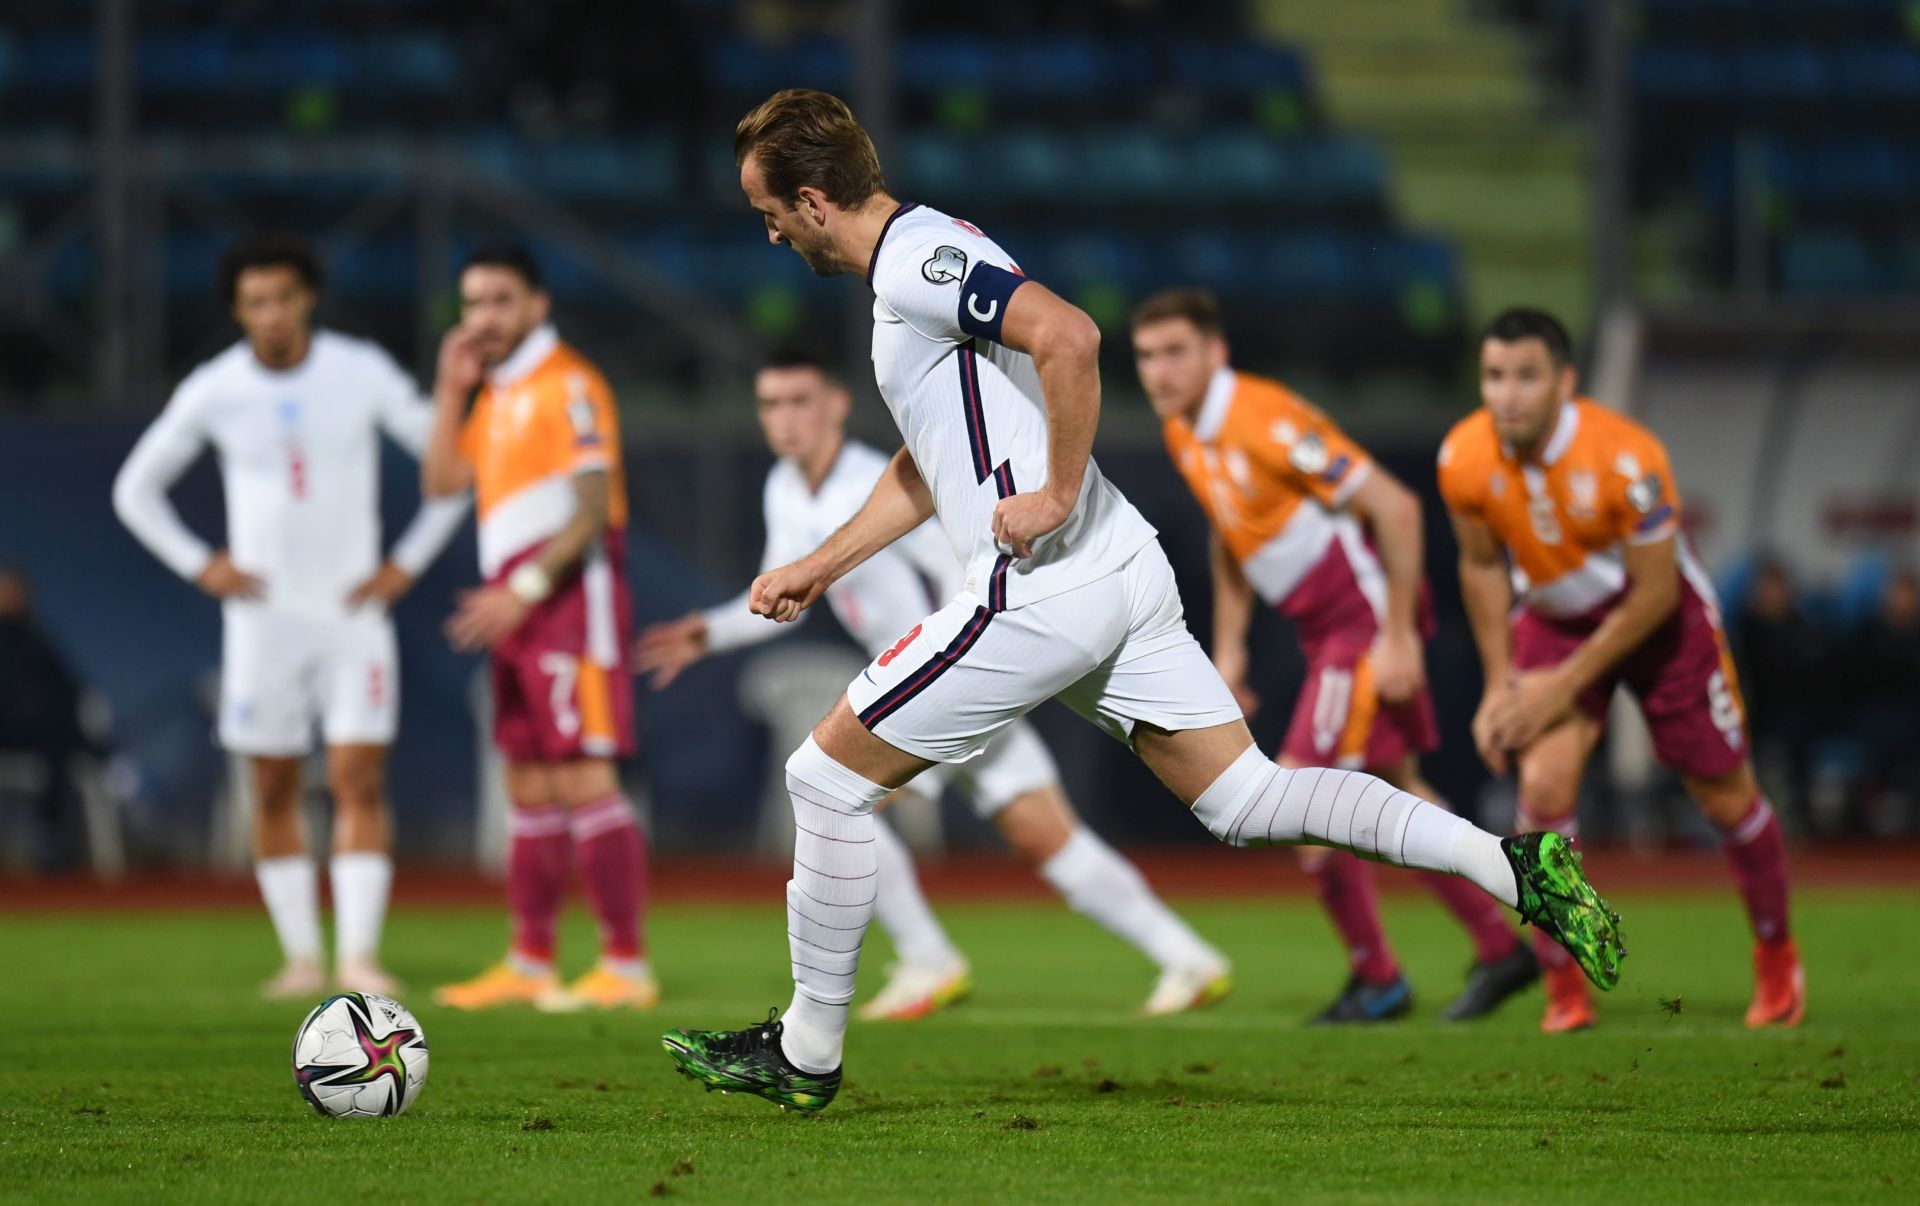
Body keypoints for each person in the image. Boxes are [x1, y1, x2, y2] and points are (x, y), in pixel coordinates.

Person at [660, 90, 1623, 1112]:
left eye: (767, 208)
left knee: (820, 781)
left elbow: (1070, 338)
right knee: (1248, 798)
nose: (764, 230)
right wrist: (826, 560)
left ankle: (807, 1051)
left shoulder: (913, 260)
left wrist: (1058, 492)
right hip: (1120, 570)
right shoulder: (925, 255)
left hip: (1040, 587)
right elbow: (930, 457)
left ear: (814, 202)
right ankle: (1518, 868)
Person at [634, 346, 1232, 1019]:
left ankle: (927, 958)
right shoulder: (785, 487)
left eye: (800, 401)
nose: (785, 419)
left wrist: (963, 651)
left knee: (838, 798)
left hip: (950, 678)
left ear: (835, 405)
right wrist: (709, 633)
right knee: (1047, 837)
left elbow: (966, 556)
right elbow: (787, 594)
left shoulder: (879, 482)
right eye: (770, 404)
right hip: (940, 682)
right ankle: (1188, 957)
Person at [1131, 290, 1533, 1024]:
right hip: (1326, 631)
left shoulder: (1264, 417)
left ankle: (1379, 978)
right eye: (1147, 356)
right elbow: (1230, 535)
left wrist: (1399, 637)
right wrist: (1230, 647)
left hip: (1361, 623)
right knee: (1397, 790)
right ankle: (1501, 949)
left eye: (1175, 352)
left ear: (1216, 353)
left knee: (1295, 799)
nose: (1159, 372)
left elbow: (1396, 507)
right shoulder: (1185, 431)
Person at [112, 234, 468, 998]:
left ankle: (360, 958)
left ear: (306, 297)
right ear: (239, 310)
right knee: (272, 786)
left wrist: (406, 562)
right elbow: (135, 490)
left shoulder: (359, 371)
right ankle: (303, 958)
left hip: (351, 614)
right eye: (255, 302)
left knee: (358, 778)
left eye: (282, 297)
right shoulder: (216, 387)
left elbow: (453, 471)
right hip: (262, 620)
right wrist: (200, 562)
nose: (271, 314)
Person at [1438, 307, 1800, 1033]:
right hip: (1550, 619)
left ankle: (1776, 955)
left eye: (1527, 376)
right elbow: (1480, 566)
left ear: (1565, 382)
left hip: (1660, 625)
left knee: (1726, 800)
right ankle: (1563, 983)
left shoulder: (1626, 458)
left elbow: (1657, 593)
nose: (1507, 394)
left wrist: (1562, 686)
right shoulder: (1463, 456)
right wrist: (1498, 685)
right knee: (1540, 788)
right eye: (1494, 376)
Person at [421, 243, 655, 1014]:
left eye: (498, 301)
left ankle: (625, 966)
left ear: (536, 305)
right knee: (527, 783)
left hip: (564, 598)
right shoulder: (496, 394)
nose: (482, 318)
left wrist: (522, 590)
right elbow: (442, 482)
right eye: (472, 302)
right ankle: (530, 960)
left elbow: (590, 512)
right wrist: (449, 391)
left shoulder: (571, 386)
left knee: (584, 776)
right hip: (517, 605)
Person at [0, 564, 102, 870]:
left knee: (58, 743)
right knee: (55, 734)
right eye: (5, 591)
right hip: (6, 728)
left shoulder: (36, 637)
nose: (12, 597)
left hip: (39, 734)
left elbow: (68, 684)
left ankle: (51, 842)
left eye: (16, 591)